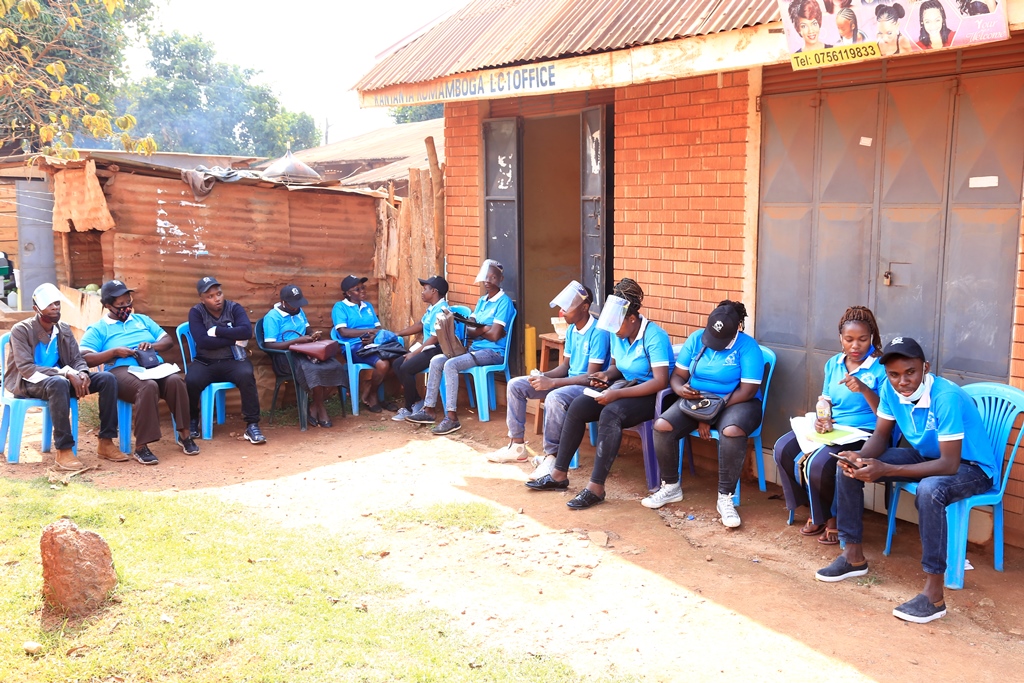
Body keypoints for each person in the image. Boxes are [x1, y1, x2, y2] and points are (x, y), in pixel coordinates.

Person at [815, 337, 995, 624]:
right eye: (894, 374)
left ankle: (934, 595)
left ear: (925, 367)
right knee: (849, 465)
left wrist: (885, 469)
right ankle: (853, 556)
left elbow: (949, 464)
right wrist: (860, 456)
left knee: (930, 489)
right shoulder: (890, 389)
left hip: (971, 467)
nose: (902, 381)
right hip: (926, 457)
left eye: (910, 372)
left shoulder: (945, 396)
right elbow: (880, 436)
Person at [526, 278, 672, 510]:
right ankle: (558, 474)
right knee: (578, 406)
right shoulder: (618, 333)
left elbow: (660, 381)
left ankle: (596, 488)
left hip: (650, 395)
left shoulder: (655, 336)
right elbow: (616, 367)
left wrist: (617, 395)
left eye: (618, 326)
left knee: (610, 414)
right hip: (624, 387)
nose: (615, 331)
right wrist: (605, 375)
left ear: (632, 319)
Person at [643, 301, 764, 528]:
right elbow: (677, 376)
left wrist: (709, 414)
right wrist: (680, 390)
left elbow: (747, 390)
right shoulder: (696, 338)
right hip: (696, 400)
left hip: (737, 401)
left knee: (731, 431)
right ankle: (671, 486)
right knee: (662, 426)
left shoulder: (748, 347)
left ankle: (725, 497)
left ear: (737, 329)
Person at [772, 306, 884, 544]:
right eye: (849, 339)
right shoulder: (834, 364)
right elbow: (826, 400)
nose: (855, 346)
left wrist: (864, 389)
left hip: (865, 431)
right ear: (840, 339)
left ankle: (832, 519)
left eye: (863, 339)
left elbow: (887, 414)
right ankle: (815, 509)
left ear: (872, 337)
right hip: (836, 428)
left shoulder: (881, 367)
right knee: (783, 448)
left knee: (819, 463)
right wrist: (823, 418)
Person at [487, 281, 611, 480]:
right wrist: (543, 376)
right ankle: (517, 446)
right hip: (569, 383)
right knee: (516, 385)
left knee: (554, 397)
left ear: (584, 307)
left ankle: (551, 457)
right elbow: (564, 367)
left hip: (587, 388)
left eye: (567, 307)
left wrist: (552, 384)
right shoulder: (571, 330)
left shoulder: (599, 332)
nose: (562, 312)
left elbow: (590, 377)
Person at [4, 283, 122, 470]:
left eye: (57, 303)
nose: (55, 307)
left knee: (107, 379)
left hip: (61, 381)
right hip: (29, 382)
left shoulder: (63, 329)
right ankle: (64, 450)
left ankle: (106, 441)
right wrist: (66, 373)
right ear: (36, 308)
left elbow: (77, 359)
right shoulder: (21, 330)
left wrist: (82, 372)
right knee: (58, 383)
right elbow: (26, 369)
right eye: (49, 304)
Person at [81, 280, 197, 465]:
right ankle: (142, 446)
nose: (126, 307)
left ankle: (185, 435)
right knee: (148, 386)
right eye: (120, 304)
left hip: (152, 367)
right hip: (121, 371)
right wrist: (114, 352)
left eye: (128, 301)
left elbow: (167, 341)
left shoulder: (142, 320)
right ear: (108, 305)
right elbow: (85, 357)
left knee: (175, 381)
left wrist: (152, 345)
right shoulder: (99, 329)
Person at [406, 259, 514, 435]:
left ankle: (452, 417)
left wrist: (480, 330)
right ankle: (429, 410)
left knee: (451, 364)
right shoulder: (482, 301)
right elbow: (470, 329)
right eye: (486, 277)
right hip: (475, 350)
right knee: (436, 360)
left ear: (500, 279)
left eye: (493, 277)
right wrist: (484, 329)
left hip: (493, 352)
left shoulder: (504, 302)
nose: (488, 281)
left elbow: (495, 336)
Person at [185, 276, 265, 445]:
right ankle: (193, 419)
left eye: (219, 293)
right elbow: (203, 341)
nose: (217, 299)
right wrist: (233, 339)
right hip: (205, 362)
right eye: (210, 296)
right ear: (202, 299)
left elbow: (246, 332)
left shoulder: (234, 308)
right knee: (191, 380)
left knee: (246, 374)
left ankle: (252, 424)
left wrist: (217, 331)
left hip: (233, 360)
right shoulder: (196, 312)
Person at [263, 284, 347, 428]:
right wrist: (296, 341)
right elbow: (269, 345)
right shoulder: (272, 317)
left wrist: (313, 335)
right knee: (314, 370)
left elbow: (308, 330)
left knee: (335, 366)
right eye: (293, 304)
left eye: (298, 303)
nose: (296, 307)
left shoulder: (299, 311)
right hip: (286, 357)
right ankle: (321, 408)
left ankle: (314, 406)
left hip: (306, 352)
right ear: (283, 302)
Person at [332, 275, 396, 413]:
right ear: (348, 293)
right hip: (354, 347)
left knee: (400, 361)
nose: (362, 291)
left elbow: (377, 329)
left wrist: (373, 337)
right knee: (383, 364)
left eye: (363, 287)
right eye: (357, 289)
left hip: (374, 344)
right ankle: (373, 396)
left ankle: (369, 387)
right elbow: (343, 332)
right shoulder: (340, 307)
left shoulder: (368, 306)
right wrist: (368, 332)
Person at [390, 275, 450, 421]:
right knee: (397, 364)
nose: (422, 293)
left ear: (434, 291)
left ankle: (408, 407)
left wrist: (414, 353)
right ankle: (417, 401)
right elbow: (419, 325)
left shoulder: (441, 310)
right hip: (428, 348)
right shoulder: (432, 308)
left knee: (406, 368)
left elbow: (435, 338)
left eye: (425, 289)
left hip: (437, 349)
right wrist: (398, 333)